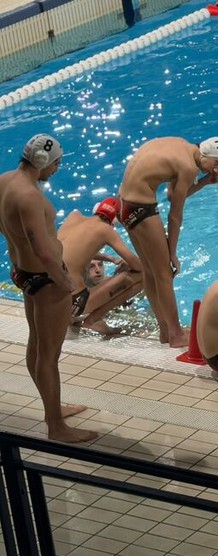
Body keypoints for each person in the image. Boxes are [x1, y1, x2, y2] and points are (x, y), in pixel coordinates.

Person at [0, 134, 96, 443]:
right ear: (43, 161)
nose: (56, 169)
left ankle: (52, 408)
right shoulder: (29, 196)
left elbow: (8, 228)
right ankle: (56, 426)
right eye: (57, 164)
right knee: (49, 354)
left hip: (25, 273)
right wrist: (64, 282)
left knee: (37, 345)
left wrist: (17, 258)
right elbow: (43, 250)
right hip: (46, 280)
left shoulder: (5, 181)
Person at [118, 136, 218, 348]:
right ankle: (176, 334)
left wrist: (205, 181)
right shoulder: (188, 167)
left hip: (123, 204)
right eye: (217, 163)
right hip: (141, 208)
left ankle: (165, 330)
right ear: (207, 154)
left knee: (150, 271)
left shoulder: (181, 146)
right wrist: (172, 253)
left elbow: (173, 194)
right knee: (164, 273)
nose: (215, 169)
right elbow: (175, 215)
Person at [57, 197, 143, 335]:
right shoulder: (105, 230)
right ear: (114, 221)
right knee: (145, 275)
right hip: (72, 303)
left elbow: (74, 250)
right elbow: (137, 266)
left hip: (46, 297)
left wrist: (110, 258)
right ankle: (93, 320)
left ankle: (70, 317)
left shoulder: (74, 217)